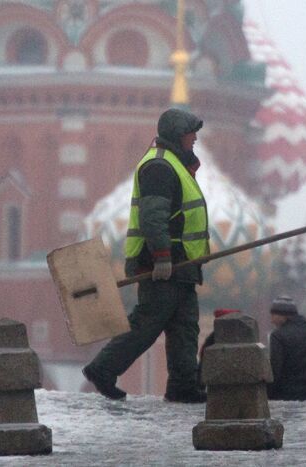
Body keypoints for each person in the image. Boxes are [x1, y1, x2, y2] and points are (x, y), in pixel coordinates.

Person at [83, 108, 209, 403]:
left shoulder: (176, 165)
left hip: (183, 266)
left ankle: (183, 385)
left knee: (185, 326)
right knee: (147, 323)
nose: (195, 138)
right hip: (163, 264)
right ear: (178, 134)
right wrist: (162, 256)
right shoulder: (159, 167)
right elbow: (153, 217)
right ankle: (102, 369)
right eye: (191, 133)